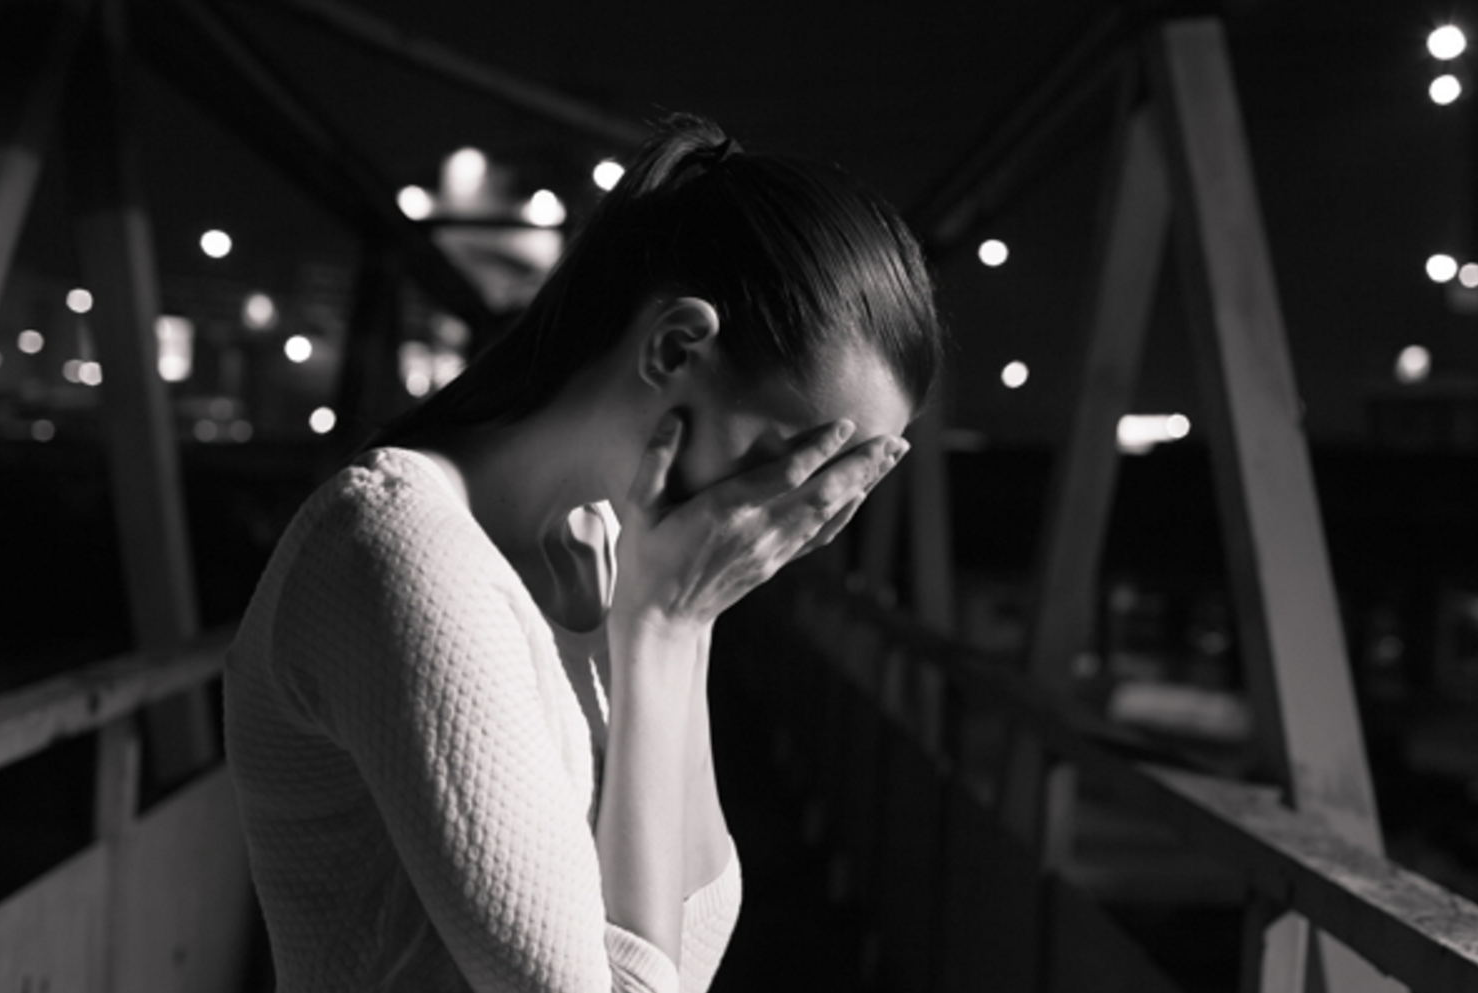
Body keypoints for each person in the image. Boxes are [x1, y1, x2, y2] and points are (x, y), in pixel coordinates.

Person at [224, 113, 945, 993]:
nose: (788, 520)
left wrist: (682, 618)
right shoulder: (400, 547)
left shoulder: (610, 560)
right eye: (782, 463)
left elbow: (694, 931)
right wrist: (665, 628)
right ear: (675, 346)